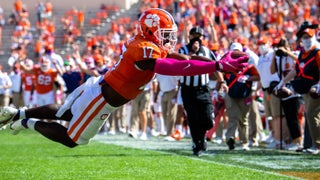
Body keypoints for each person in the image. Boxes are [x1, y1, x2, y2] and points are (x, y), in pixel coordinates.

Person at [0, 8, 247, 150]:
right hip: (103, 98)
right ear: (151, 30)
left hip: (100, 88)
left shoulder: (148, 43)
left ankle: (18, 113)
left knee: (66, 112)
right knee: (73, 139)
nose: (169, 38)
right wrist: (215, 65)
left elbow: (178, 56)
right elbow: (174, 67)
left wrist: (218, 62)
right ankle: (24, 123)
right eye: (165, 33)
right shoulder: (142, 49)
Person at [177, 26, 227, 156]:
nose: (197, 40)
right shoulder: (182, 50)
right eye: (194, 37)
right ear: (190, 38)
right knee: (193, 118)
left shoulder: (206, 51)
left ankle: (202, 136)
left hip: (203, 89)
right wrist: (189, 56)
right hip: (188, 90)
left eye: (199, 37)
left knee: (208, 120)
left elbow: (215, 67)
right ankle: (197, 143)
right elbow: (177, 65)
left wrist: (221, 81)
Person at [277, 25, 320, 154]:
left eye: (309, 37)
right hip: (306, 89)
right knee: (311, 116)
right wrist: (283, 82)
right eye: (304, 37)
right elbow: (296, 70)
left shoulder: (317, 52)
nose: (306, 40)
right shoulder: (302, 53)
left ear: (314, 37)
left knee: (313, 115)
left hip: (315, 88)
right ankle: (312, 144)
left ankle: (317, 145)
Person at [224, 43, 260, 151]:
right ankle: (230, 138)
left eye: (237, 52)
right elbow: (219, 75)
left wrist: (247, 78)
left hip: (245, 94)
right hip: (231, 95)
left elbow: (257, 77)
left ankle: (244, 142)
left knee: (243, 119)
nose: (236, 54)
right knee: (233, 117)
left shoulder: (248, 65)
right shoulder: (225, 64)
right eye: (234, 52)